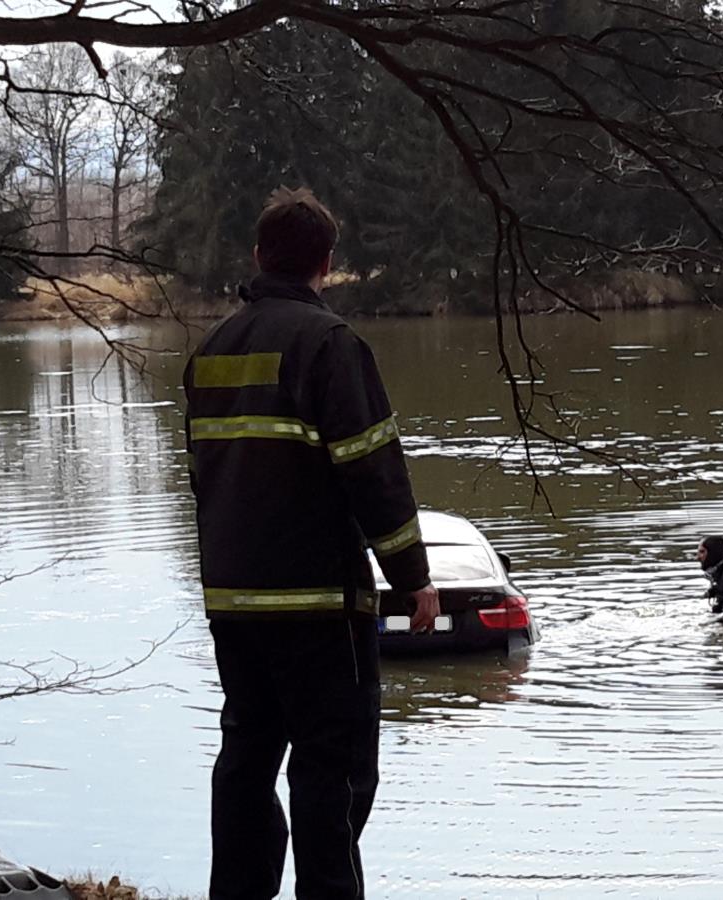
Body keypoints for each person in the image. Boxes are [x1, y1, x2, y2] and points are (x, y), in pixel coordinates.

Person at [184, 187, 440, 900]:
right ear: (326, 263)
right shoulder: (331, 345)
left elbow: (204, 480)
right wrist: (413, 578)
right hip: (320, 606)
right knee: (333, 770)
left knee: (246, 758)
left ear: (259, 256)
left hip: (234, 603)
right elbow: (373, 472)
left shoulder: (209, 351)